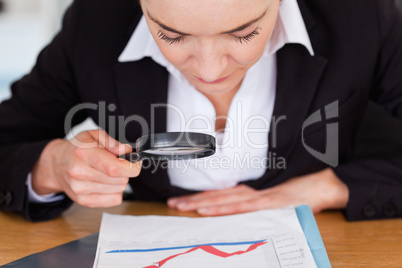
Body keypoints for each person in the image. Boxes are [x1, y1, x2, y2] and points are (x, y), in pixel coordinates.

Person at [0, 0, 401, 222]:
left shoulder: (361, 15)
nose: (209, 71)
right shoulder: (94, 22)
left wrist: (331, 188)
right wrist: (49, 168)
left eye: (244, 32)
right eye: (170, 35)